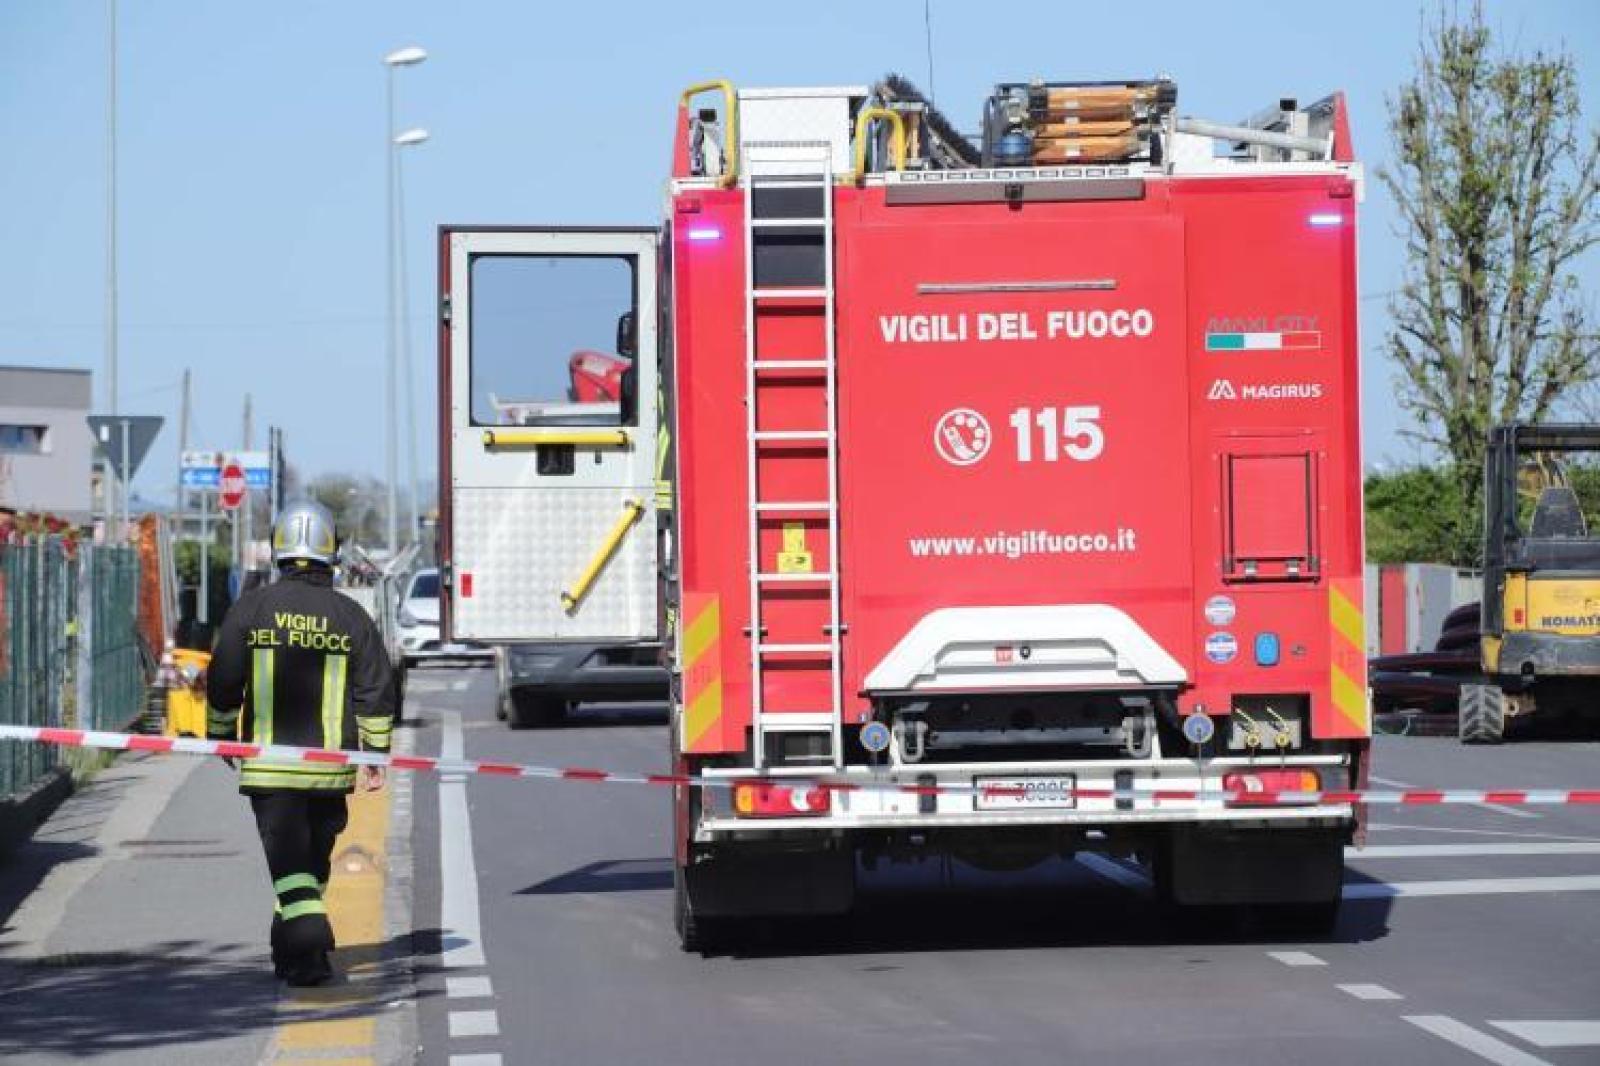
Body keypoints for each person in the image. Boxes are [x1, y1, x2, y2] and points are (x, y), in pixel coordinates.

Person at [206, 499, 395, 986]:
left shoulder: (252, 609)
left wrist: (222, 733)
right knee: (307, 863)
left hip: (270, 768)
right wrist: (374, 756)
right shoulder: (350, 615)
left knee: (291, 865)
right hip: (331, 771)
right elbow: (376, 686)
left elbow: (224, 677)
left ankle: (309, 944)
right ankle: (291, 950)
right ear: (331, 551)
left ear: (280, 550)